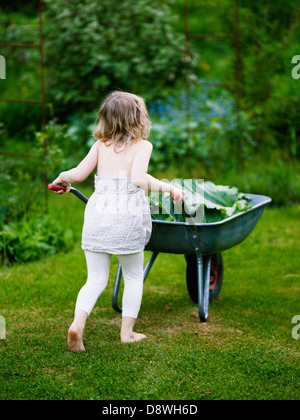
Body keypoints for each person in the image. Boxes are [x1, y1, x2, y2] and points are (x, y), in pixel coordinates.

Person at [52, 91, 184, 352]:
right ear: (138, 118)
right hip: (126, 217)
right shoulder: (142, 146)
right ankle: (127, 333)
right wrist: (168, 189)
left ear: (106, 119)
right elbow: (138, 179)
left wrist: (61, 178)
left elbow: (77, 174)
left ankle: (77, 325)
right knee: (134, 275)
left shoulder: (100, 145)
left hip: (98, 215)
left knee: (95, 279)